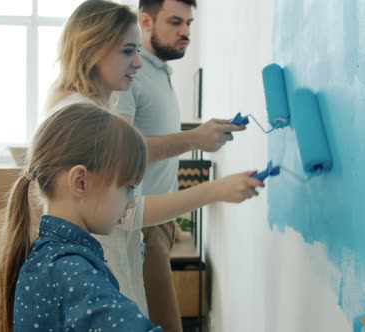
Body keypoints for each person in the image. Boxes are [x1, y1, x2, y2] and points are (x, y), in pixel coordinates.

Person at [44, 0, 263, 318]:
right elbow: (126, 214)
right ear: (92, 50)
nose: (137, 63)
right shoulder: (84, 118)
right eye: (127, 52)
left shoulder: (96, 108)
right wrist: (214, 190)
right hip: (109, 254)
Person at [0, 103, 162, 332]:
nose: (131, 202)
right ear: (80, 181)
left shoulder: (50, 258)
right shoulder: (70, 271)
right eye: (128, 188)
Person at [115, 1, 230, 330]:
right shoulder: (130, 76)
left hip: (160, 223)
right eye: (176, 22)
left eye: (190, 23)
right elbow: (123, 153)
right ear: (146, 21)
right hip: (140, 225)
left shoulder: (159, 71)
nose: (186, 32)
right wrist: (195, 139)